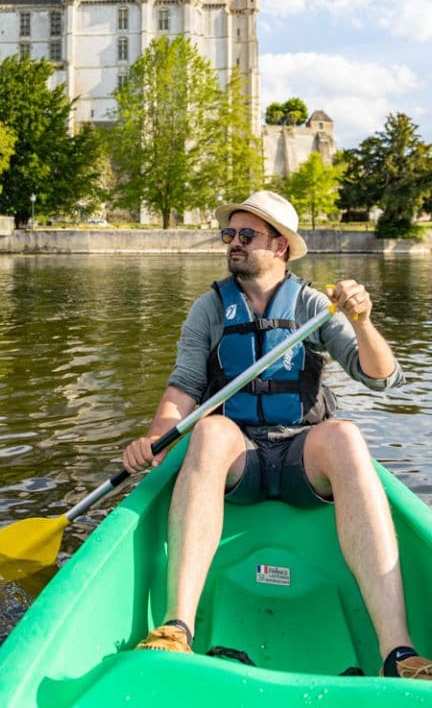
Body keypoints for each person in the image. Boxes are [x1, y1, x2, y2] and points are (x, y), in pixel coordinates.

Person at [123, 190, 432, 680]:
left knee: (346, 437)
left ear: (281, 246)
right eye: (230, 234)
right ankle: (175, 627)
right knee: (208, 431)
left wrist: (363, 321)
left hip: (299, 454)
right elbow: (182, 385)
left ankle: (399, 653)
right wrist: (155, 439)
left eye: (247, 235)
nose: (234, 244)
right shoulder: (209, 309)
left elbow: (381, 377)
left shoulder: (314, 305)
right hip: (239, 455)